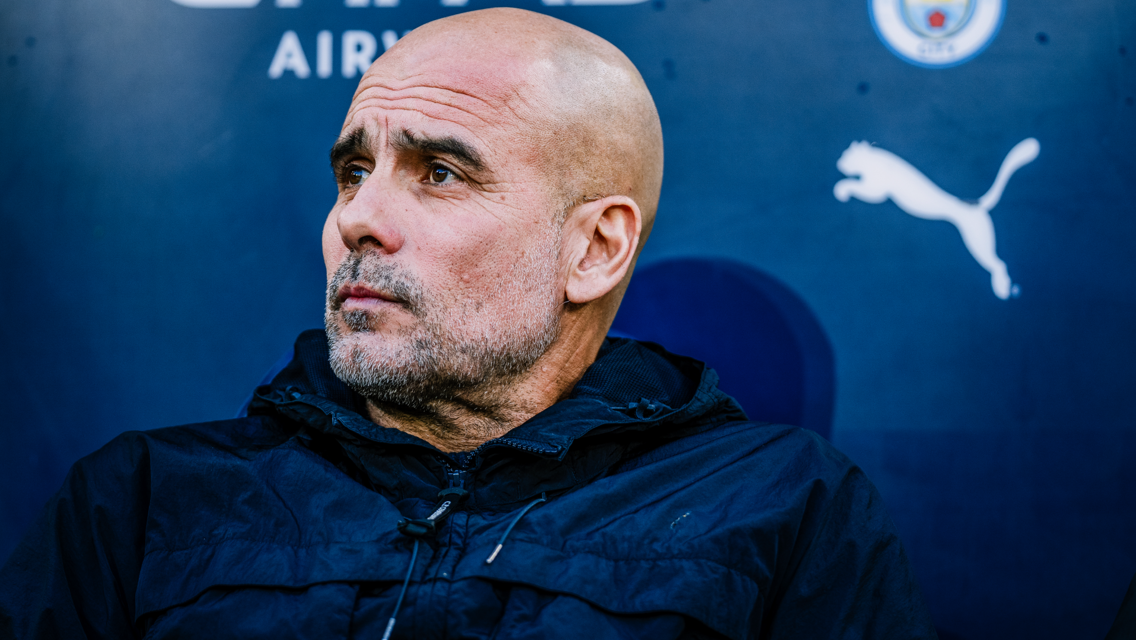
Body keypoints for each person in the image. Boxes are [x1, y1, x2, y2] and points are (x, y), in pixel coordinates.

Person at [0, 8, 937, 639]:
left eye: (440, 172)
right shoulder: (140, 503)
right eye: (353, 171)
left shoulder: (785, 510)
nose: (358, 218)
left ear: (594, 249)